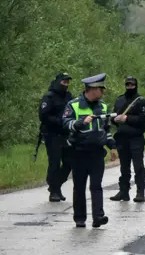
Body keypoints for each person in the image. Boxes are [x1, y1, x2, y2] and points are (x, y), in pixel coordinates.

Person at [62, 73, 118, 228]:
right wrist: (81, 122)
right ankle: (80, 218)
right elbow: (65, 123)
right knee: (79, 186)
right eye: (101, 89)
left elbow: (105, 130)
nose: (103, 92)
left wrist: (112, 146)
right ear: (92, 89)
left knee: (96, 185)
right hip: (78, 152)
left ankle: (98, 217)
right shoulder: (73, 105)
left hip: (97, 153)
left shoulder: (103, 106)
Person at [110, 76, 145, 203]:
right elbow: (113, 115)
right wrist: (114, 119)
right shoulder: (120, 100)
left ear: (136, 85)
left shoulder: (142, 102)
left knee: (138, 166)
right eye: (128, 85)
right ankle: (124, 191)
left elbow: (143, 120)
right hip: (122, 137)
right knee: (124, 166)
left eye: (132, 85)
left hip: (136, 138)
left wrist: (127, 118)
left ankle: (140, 191)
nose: (130, 87)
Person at [38, 72, 74, 202]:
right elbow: (43, 116)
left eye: (67, 82)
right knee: (55, 162)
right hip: (52, 134)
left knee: (69, 162)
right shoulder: (49, 97)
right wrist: (59, 121)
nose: (66, 84)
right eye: (64, 82)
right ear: (58, 82)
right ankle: (54, 191)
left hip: (66, 134)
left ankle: (56, 185)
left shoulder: (69, 96)